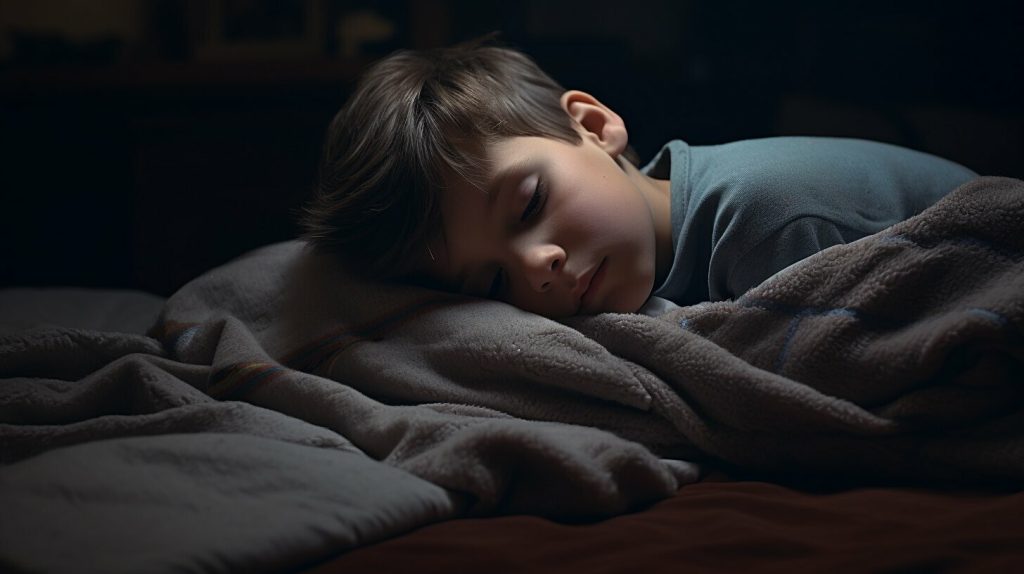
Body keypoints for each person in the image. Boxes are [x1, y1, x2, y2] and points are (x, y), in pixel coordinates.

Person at [301, 39, 977, 319]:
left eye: (531, 203)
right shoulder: (650, 237)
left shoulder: (768, 223)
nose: (536, 268)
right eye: (490, 282)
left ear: (594, 126)